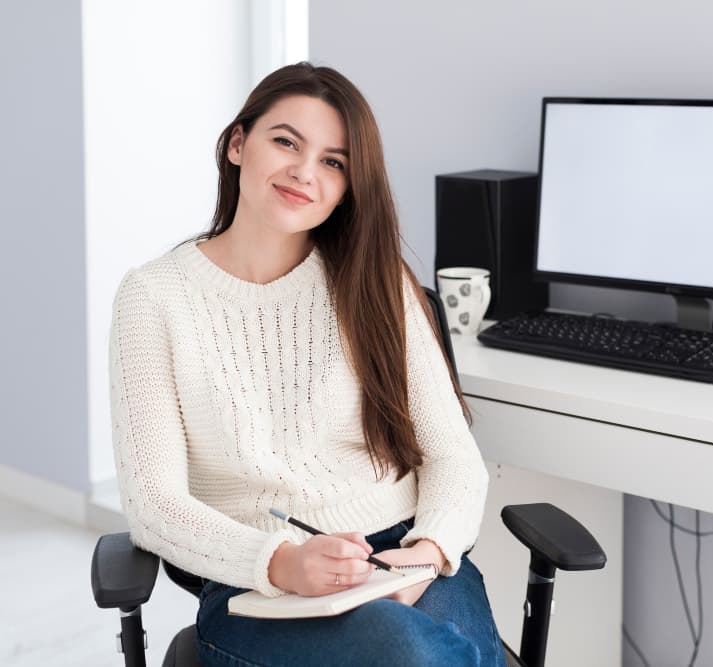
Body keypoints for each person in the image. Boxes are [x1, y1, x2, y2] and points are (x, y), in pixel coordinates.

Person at [108, 62, 503, 666]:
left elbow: (452, 456)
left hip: (406, 552)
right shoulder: (154, 298)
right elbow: (154, 504)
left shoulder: (377, 284)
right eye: (286, 142)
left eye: (333, 161)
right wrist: (283, 562)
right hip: (258, 583)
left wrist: (424, 555)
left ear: (348, 185)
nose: (304, 172)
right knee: (412, 656)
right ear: (239, 144)